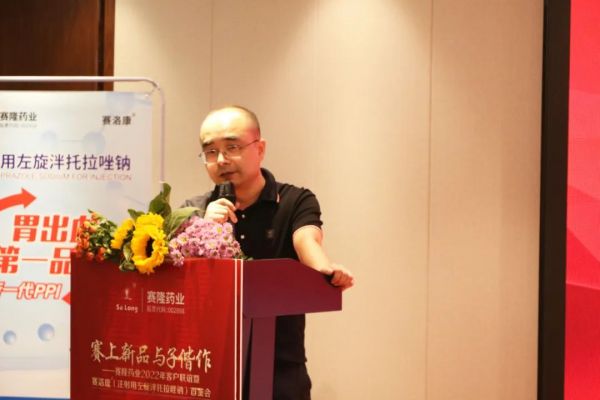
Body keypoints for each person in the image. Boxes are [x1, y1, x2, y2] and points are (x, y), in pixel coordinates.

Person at [183, 105, 354, 400]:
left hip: (279, 368)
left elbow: (306, 240)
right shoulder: (193, 210)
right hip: (209, 365)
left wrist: (324, 270)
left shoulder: (294, 200)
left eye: (232, 147)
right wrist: (203, 227)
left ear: (260, 149)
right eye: (210, 152)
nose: (221, 160)